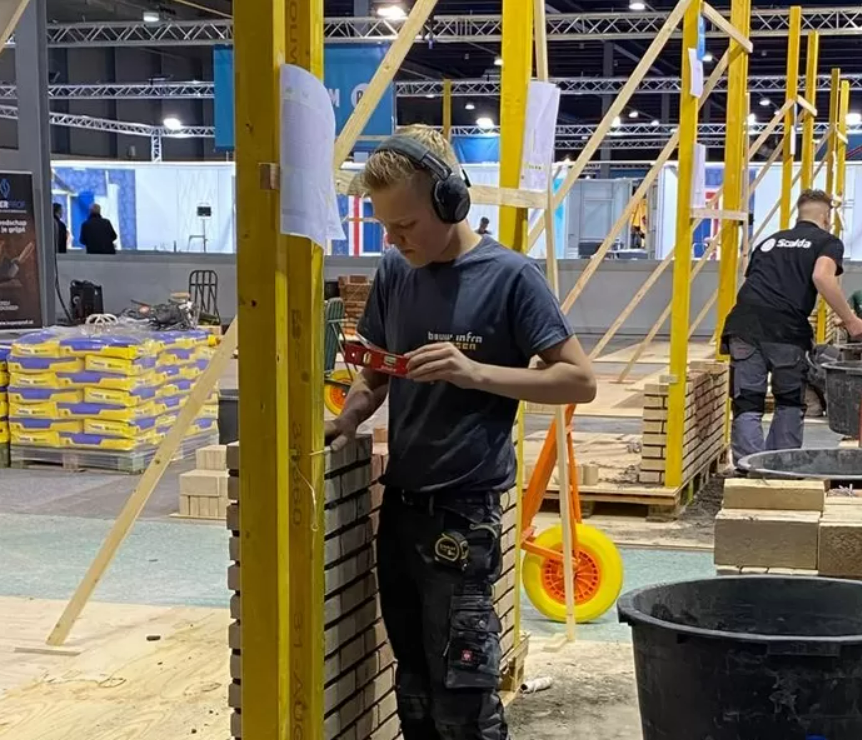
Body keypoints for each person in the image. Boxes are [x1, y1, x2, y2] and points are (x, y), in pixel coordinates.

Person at [325, 125, 596, 740]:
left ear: (451, 202)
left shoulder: (509, 278)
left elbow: (579, 381)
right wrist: (351, 412)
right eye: (386, 228)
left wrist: (475, 372)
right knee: (415, 692)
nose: (395, 240)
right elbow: (376, 375)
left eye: (407, 225)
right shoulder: (396, 272)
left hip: (461, 516)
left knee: (463, 704)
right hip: (401, 509)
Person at [722, 189, 862, 466]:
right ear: (825, 216)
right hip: (785, 331)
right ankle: (780, 465)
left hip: (743, 326)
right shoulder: (826, 242)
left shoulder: (769, 242)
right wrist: (851, 320)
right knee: (788, 400)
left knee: (747, 400)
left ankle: (749, 468)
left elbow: (753, 279)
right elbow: (822, 277)